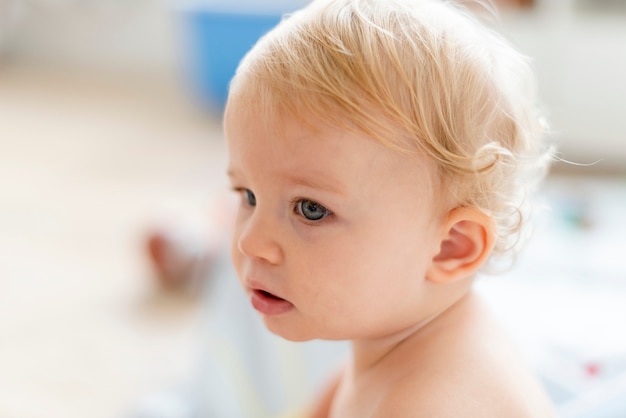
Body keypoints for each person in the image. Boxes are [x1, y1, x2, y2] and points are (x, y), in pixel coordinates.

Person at [223, 0, 557, 416]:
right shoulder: (392, 337)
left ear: (449, 247)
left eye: (310, 209)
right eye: (248, 195)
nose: (251, 241)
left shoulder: (436, 405)